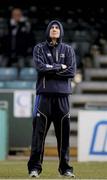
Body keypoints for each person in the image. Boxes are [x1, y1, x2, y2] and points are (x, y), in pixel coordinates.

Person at [27, 20, 76, 178]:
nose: (54, 29)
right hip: (44, 97)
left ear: (61, 31)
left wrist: (50, 69)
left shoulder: (68, 50)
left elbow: (71, 71)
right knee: (38, 136)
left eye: (57, 28)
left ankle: (65, 169)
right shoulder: (39, 48)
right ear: (48, 30)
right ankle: (34, 168)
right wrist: (59, 67)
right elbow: (40, 67)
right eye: (52, 27)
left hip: (63, 98)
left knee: (64, 138)